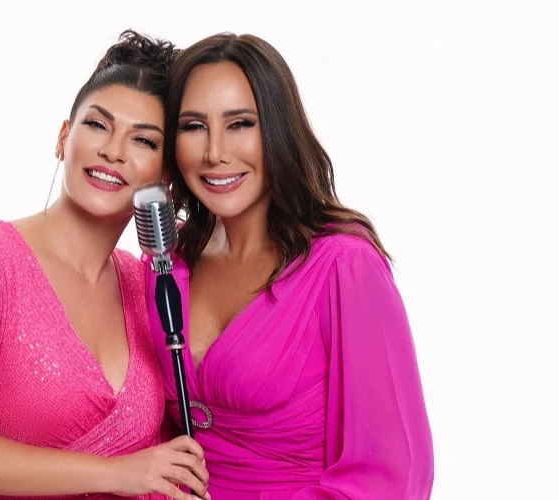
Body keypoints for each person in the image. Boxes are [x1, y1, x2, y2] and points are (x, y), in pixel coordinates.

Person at [0, 30, 210, 500]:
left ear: (165, 175)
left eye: (143, 140)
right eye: (98, 125)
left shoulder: (145, 282)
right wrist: (117, 473)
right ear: (64, 138)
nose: (113, 150)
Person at [144, 33, 434, 499]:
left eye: (240, 124)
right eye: (194, 126)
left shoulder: (345, 267)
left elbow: (391, 478)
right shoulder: (166, 264)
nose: (215, 152)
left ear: (278, 131)